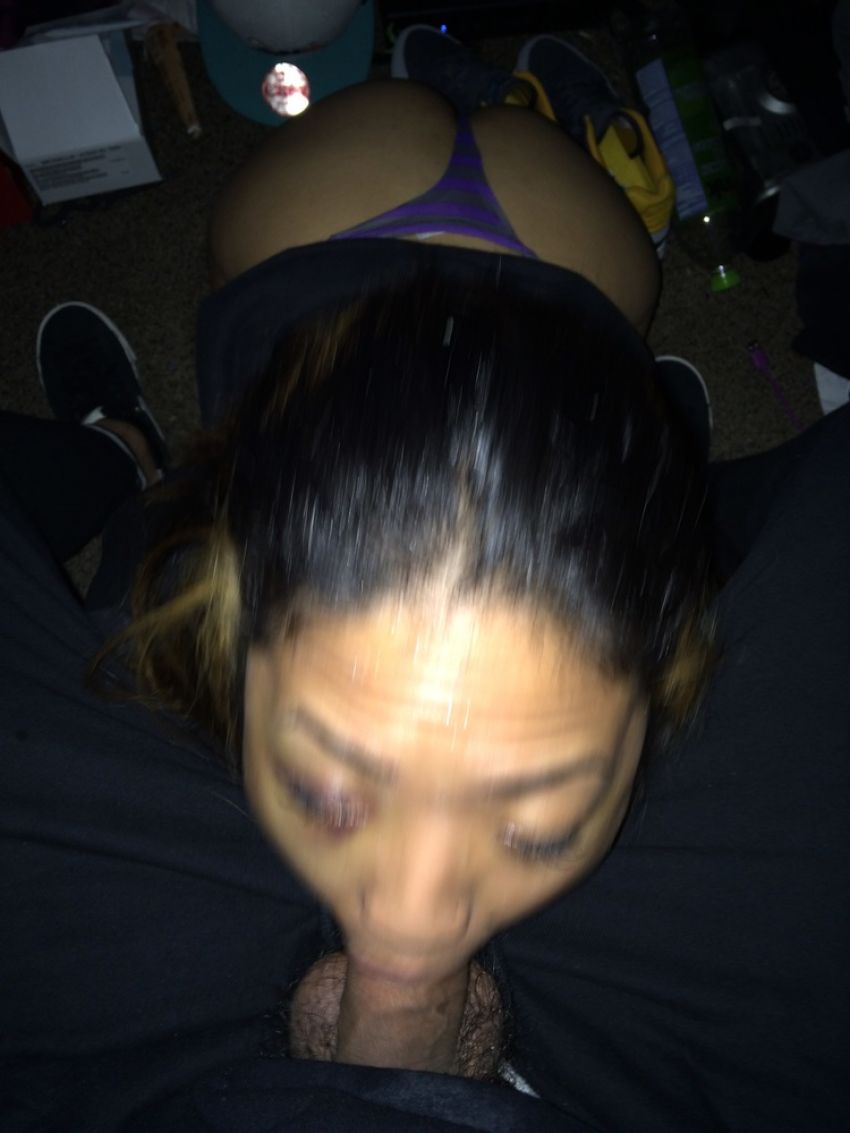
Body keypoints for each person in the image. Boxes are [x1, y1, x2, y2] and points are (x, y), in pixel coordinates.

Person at [2, 27, 848, 1133]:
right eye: (329, 790)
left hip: (331, 235)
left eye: (533, 822)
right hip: (566, 251)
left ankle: (125, 452)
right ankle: (646, 453)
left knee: (149, 546)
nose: (407, 931)